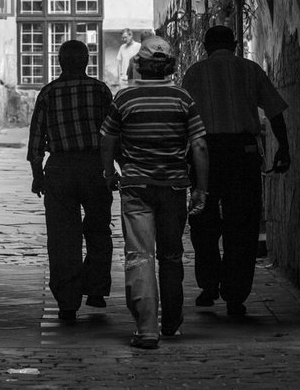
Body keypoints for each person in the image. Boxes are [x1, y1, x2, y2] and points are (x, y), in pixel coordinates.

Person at [99, 36, 209, 349]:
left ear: (140, 65)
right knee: (172, 256)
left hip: (136, 188)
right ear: (170, 66)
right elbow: (199, 144)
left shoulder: (124, 99)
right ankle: (172, 322)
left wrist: (109, 173)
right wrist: (201, 187)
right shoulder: (182, 98)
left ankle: (147, 329)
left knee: (139, 256)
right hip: (174, 186)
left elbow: (107, 138)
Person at [180, 25, 290, 317]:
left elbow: (183, 118)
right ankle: (235, 294)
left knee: (203, 221)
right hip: (242, 154)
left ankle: (208, 284)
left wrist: (181, 157)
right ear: (236, 43)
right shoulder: (250, 70)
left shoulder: (194, 73)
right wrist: (285, 147)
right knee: (242, 224)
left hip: (205, 155)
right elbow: (274, 110)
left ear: (205, 45)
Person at [27, 40, 115, 321]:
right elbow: (112, 133)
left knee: (63, 237)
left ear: (60, 63)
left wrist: (37, 175)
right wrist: (114, 169)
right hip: (94, 166)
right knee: (99, 228)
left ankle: (67, 301)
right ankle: (96, 289)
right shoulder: (100, 90)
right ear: (87, 62)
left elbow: (35, 139)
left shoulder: (48, 93)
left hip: (61, 168)